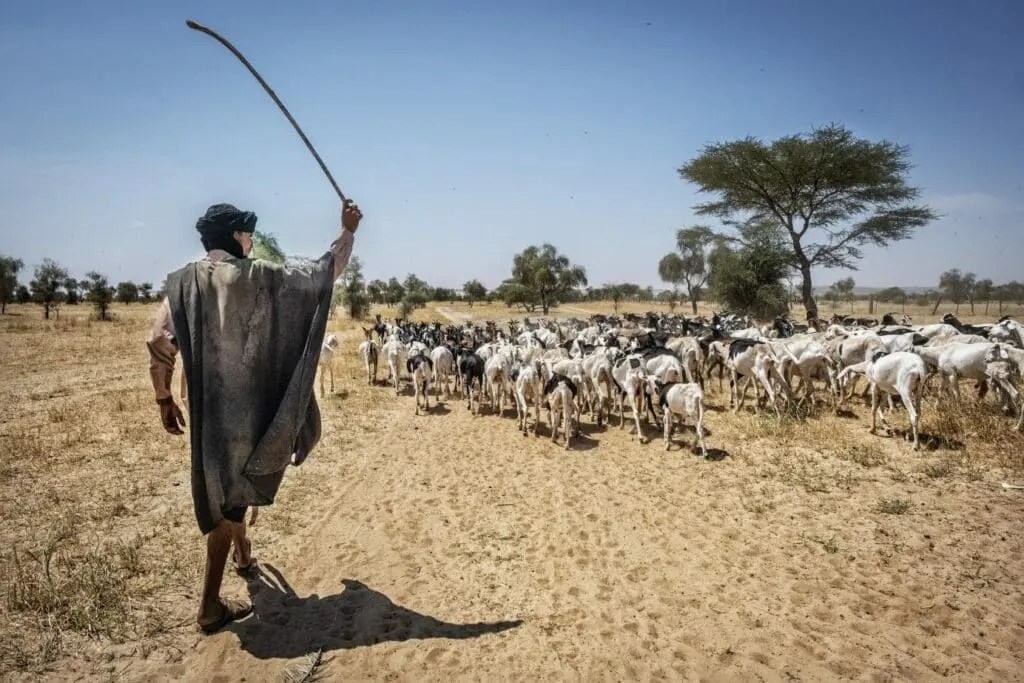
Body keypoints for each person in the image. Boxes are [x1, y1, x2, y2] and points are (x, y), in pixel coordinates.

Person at [147, 200, 362, 633]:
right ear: (235, 237)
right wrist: (348, 231)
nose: (251, 241)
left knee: (229, 484)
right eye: (247, 234)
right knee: (230, 497)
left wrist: (164, 399)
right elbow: (326, 270)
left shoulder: (183, 284)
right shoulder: (261, 276)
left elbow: (158, 341)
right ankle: (209, 606)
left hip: (203, 409)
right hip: (247, 410)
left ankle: (244, 557)